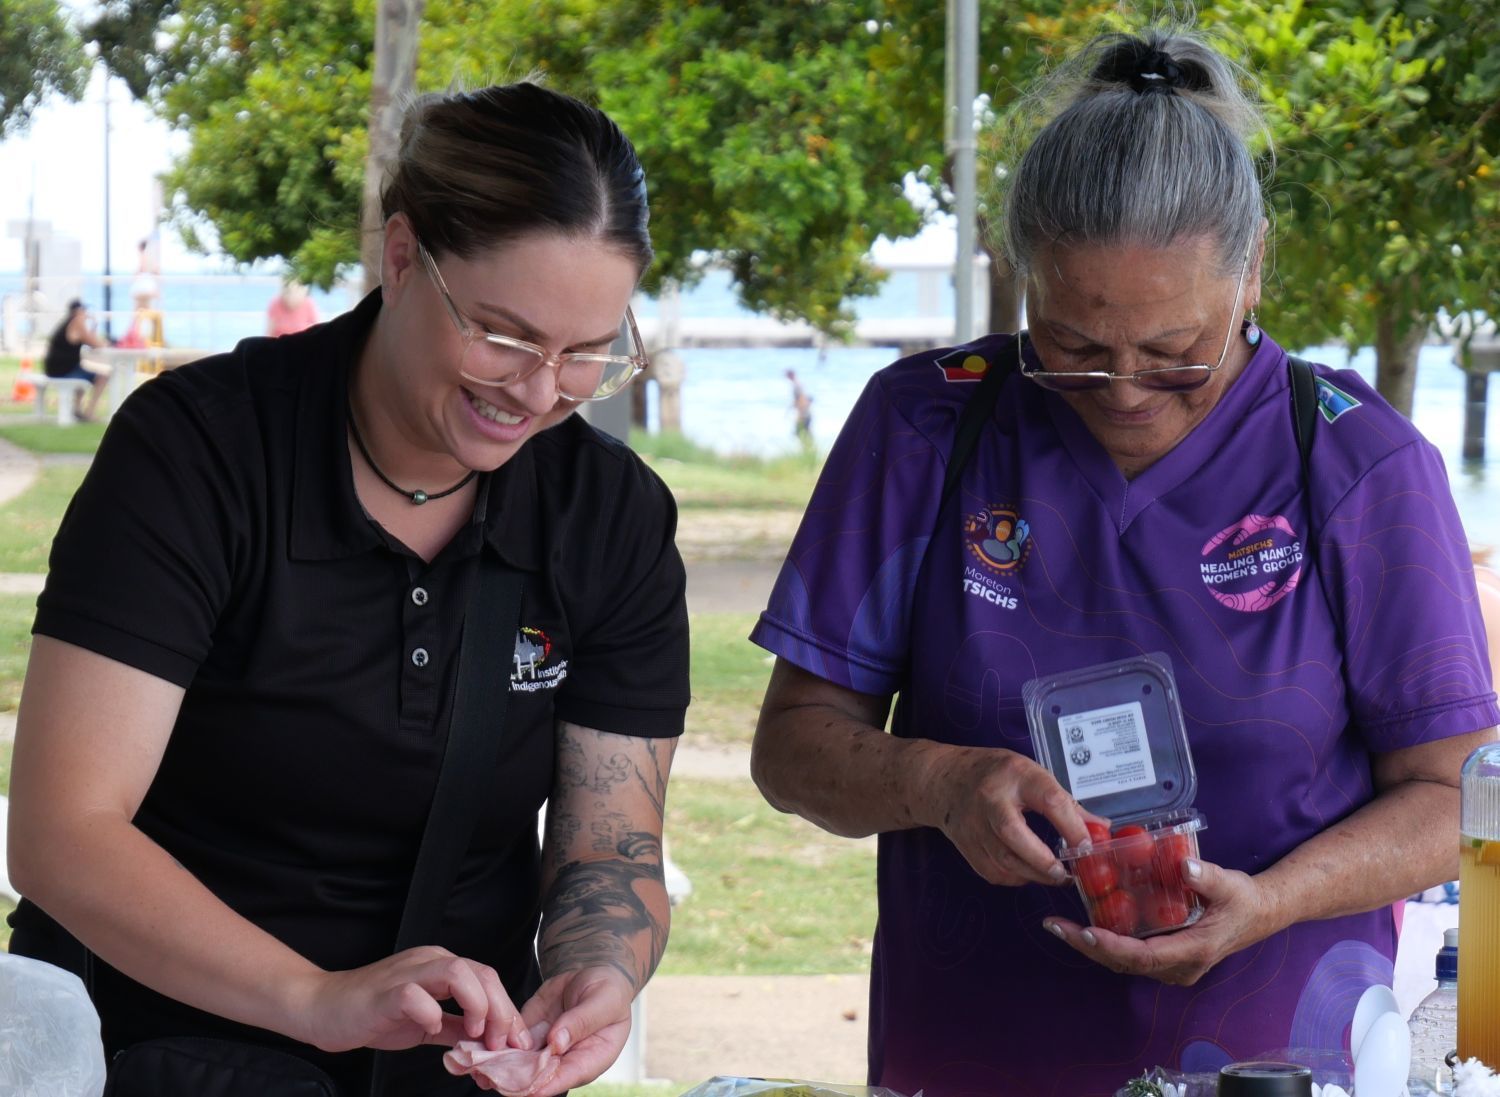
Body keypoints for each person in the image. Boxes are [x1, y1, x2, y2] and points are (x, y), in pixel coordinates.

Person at [749, 23, 1498, 1097]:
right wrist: (943, 779)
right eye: (1074, 351)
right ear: (1022, 282)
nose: (1127, 391)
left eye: (1175, 357)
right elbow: (793, 746)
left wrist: (1273, 898)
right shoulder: (927, 424)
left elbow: (1452, 793)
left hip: (1281, 1055)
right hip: (969, 1048)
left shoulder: (1354, 458)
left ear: (1253, 276)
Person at [7, 82, 688, 1096]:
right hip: (149, 1045)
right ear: (404, 256)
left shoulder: (609, 512)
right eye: (502, 335)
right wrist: (316, 996)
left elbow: (610, 844)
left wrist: (598, 973)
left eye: (587, 352)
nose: (541, 391)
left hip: (449, 1068)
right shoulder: (199, 450)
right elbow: (62, 830)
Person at [41, 299, 108, 421]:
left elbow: (88, 340)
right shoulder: (77, 323)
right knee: (102, 377)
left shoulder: (67, 323)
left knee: (83, 371)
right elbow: (94, 343)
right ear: (78, 312)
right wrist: (95, 326)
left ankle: (77, 409)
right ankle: (89, 412)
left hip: (54, 368)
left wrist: (93, 327)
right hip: (62, 370)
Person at [786, 368, 813, 448]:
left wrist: (800, 415)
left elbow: (802, 399)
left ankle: (807, 448)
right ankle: (808, 448)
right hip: (805, 413)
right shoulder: (798, 384)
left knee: (799, 432)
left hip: (804, 414)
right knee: (804, 432)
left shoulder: (796, 386)